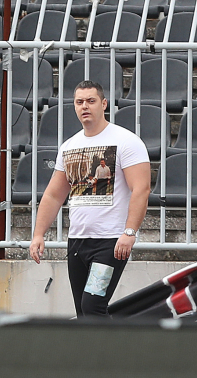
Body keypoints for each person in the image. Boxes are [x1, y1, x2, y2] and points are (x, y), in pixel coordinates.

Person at [29, 80, 151, 317]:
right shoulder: (69, 146)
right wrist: (38, 234)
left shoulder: (126, 141)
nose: (84, 106)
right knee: (83, 313)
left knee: (92, 306)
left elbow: (141, 189)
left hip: (109, 242)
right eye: (79, 102)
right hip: (78, 241)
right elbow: (54, 194)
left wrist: (129, 232)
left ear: (103, 104)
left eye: (91, 101)